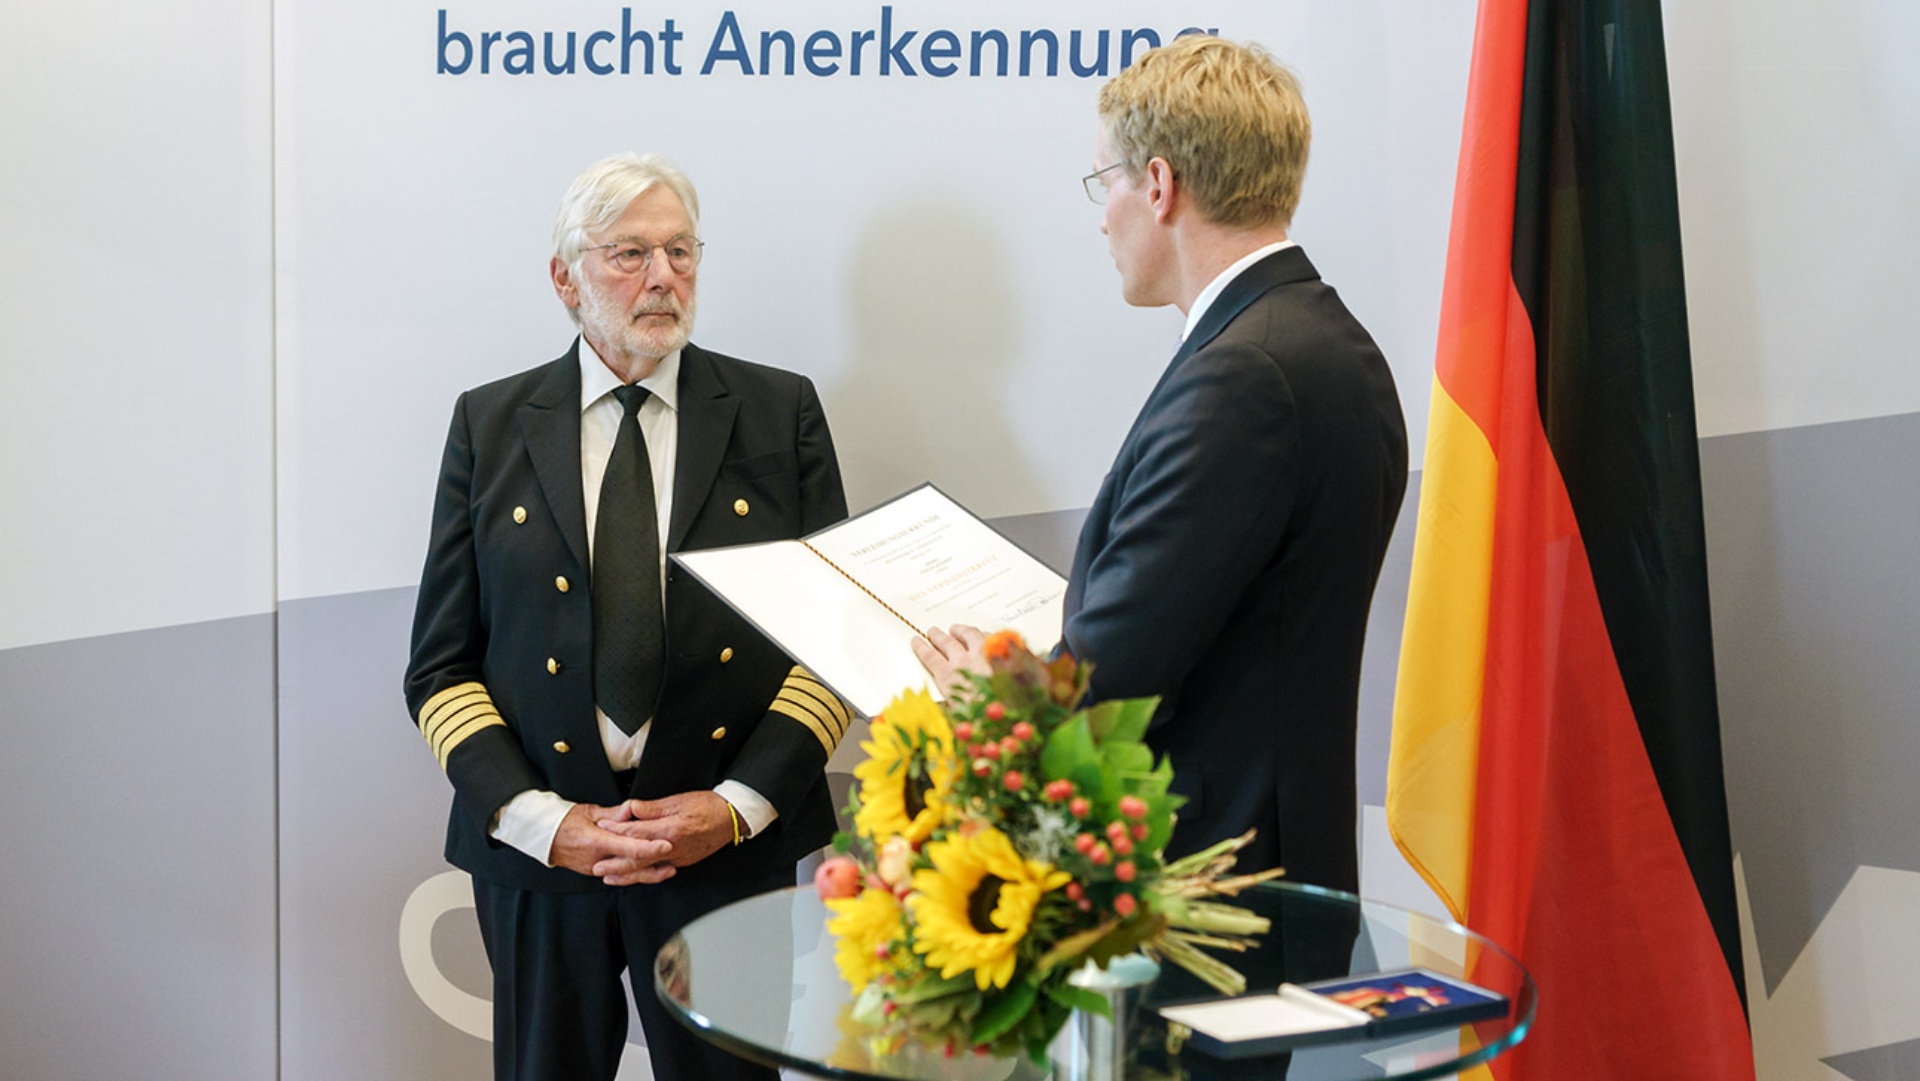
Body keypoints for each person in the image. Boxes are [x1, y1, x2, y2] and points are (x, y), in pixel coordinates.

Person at [916, 35, 1408, 896]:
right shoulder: (1320, 337)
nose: (1102, 214)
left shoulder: (1243, 378)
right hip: (1267, 870)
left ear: (1158, 184)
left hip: (1203, 891)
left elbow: (1109, 690)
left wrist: (980, 688)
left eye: (1103, 182)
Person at [404, 152, 852, 1081]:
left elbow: (833, 641)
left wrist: (733, 809)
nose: (662, 278)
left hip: (722, 849)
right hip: (542, 856)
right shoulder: (489, 425)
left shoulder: (778, 412)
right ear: (565, 277)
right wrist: (541, 820)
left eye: (680, 252)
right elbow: (442, 667)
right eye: (629, 254)